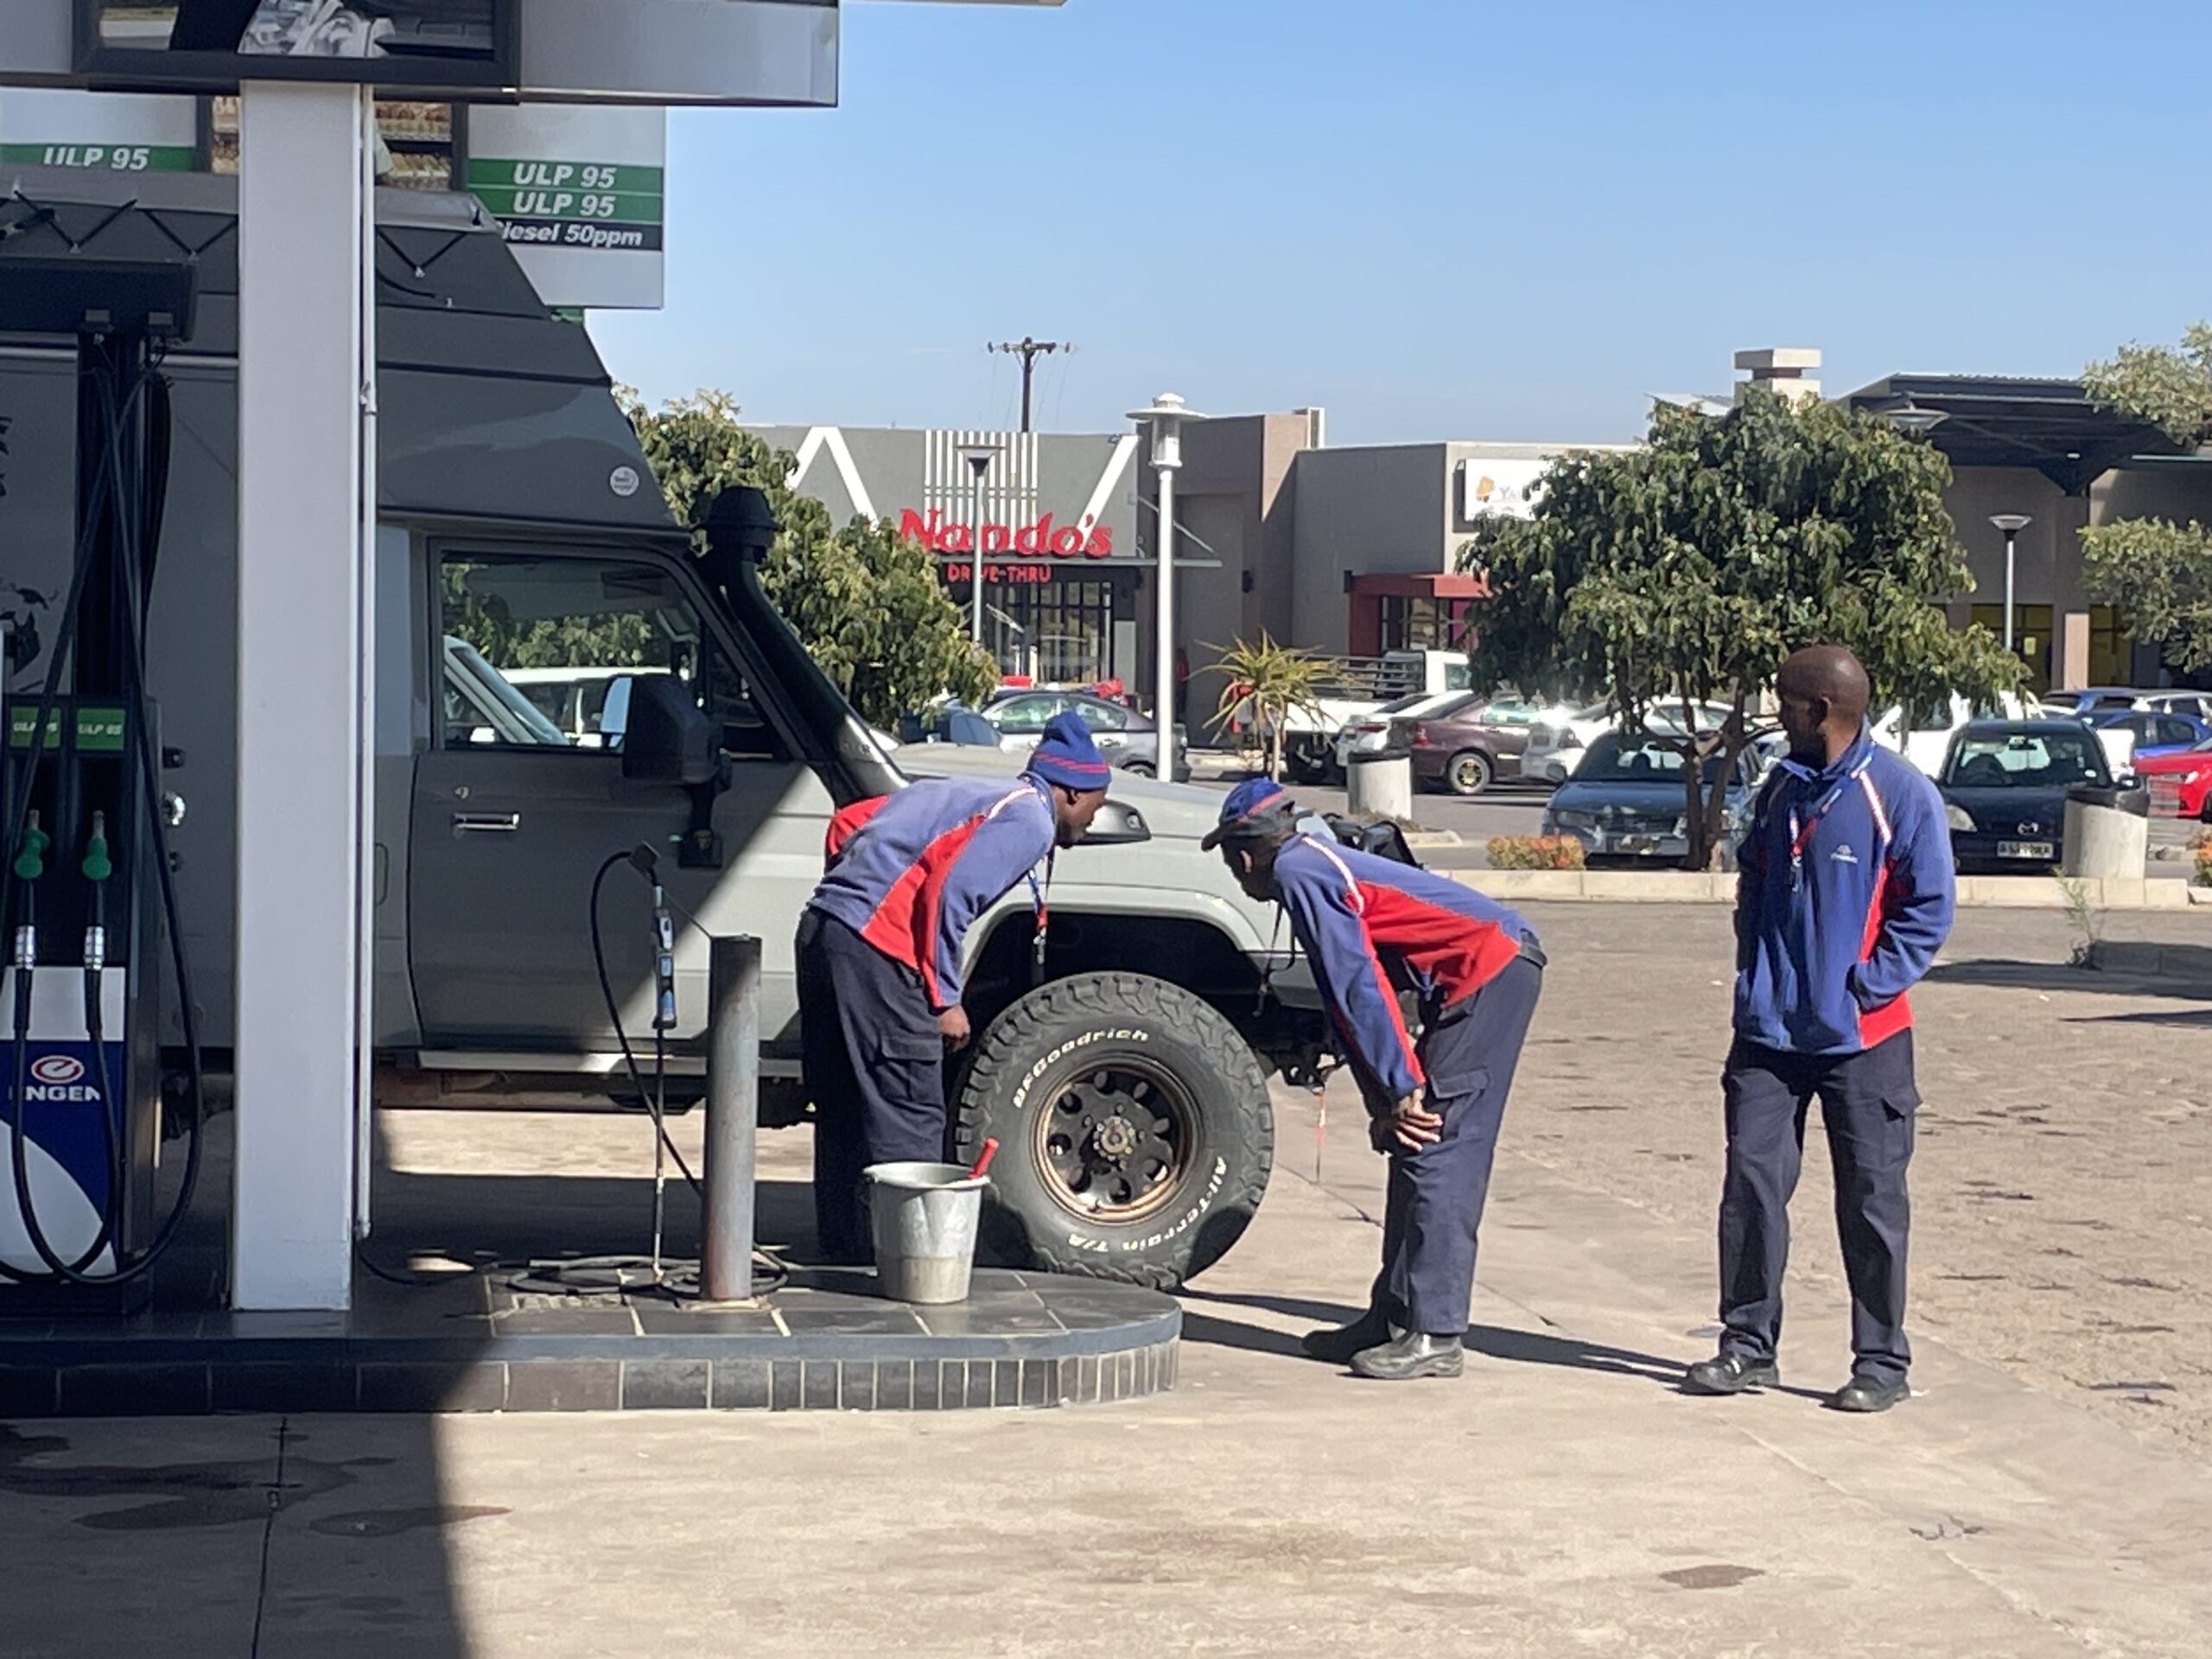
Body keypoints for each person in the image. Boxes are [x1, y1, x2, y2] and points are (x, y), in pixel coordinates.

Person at [1683, 645, 1955, 1414]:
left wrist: (1863, 987)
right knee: (1750, 1186)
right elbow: (1755, 877)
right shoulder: (1780, 787)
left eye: (1785, 701)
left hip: (1864, 1039)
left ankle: (1881, 1363)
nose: (1777, 713)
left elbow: (1928, 909)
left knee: (1871, 1201)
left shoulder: (1898, 793)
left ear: (1822, 711)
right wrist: (1756, 973)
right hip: (1767, 1035)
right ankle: (1747, 1347)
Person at [1203, 780, 1544, 1381]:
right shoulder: (1308, 863)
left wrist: (1400, 1087)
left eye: (1229, 861)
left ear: (1245, 856)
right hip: (1472, 976)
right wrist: (1384, 1100)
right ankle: (1393, 1315)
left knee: (1437, 1146)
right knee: (1411, 1145)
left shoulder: (1300, 872)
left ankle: (1436, 1333)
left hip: (1491, 971)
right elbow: (1352, 996)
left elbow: (1355, 985)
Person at [798, 712, 1110, 1262]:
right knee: (909, 1107)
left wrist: (849, 898)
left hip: (823, 930)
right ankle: (912, 1266)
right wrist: (944, 998)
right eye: (1094, 805)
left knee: (846, 1103)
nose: (1092, 820)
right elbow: (950, 893)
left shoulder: (967, 794)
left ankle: (847, 1254)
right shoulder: (1031, 820)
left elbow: (849, 822)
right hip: (877, 949)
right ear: (1071, 792)